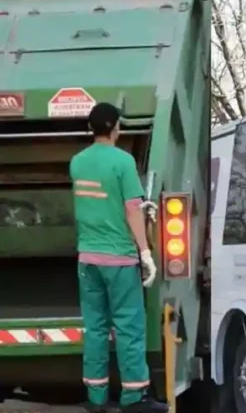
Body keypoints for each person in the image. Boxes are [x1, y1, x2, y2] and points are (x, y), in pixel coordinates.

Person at [70, 102, 168, 413]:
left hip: (87, 259)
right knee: (128, 326)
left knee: (96, 327)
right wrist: (145, 251)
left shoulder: (77, 162)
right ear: (115, 128)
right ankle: (134, 396)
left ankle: (96, 398)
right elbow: (132, 210)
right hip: (120, 259)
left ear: (91, 128)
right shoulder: (123, 162)